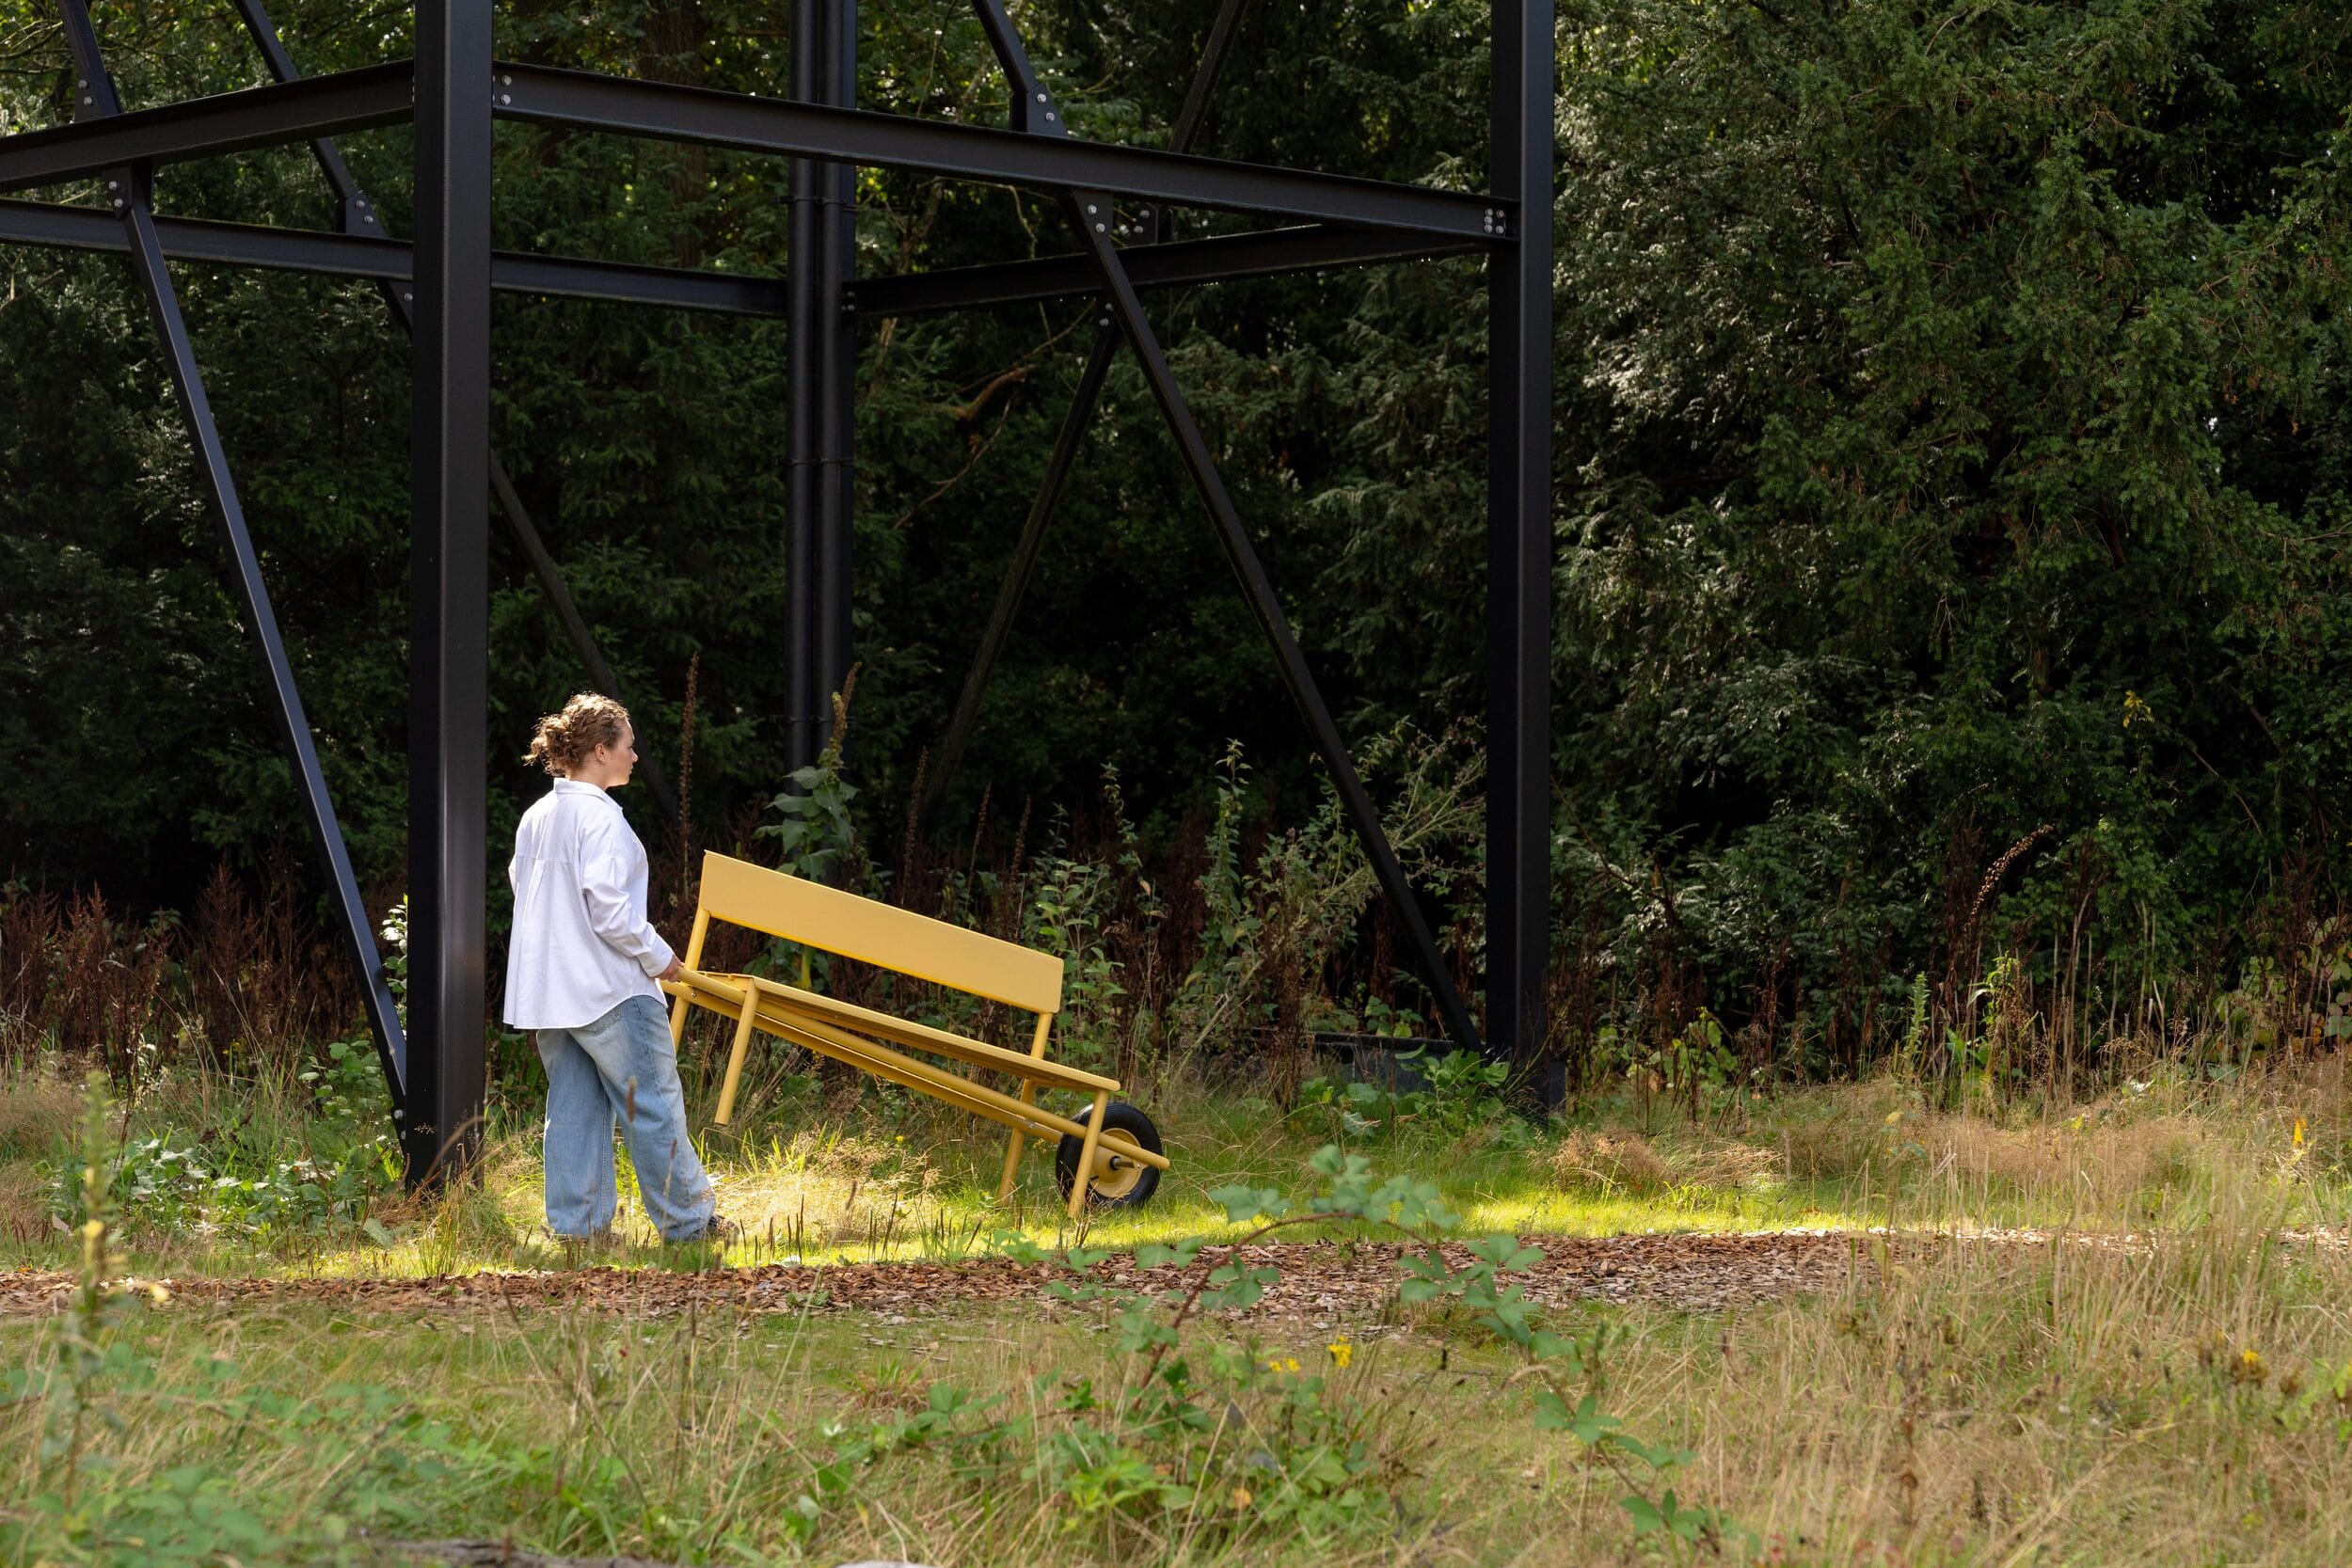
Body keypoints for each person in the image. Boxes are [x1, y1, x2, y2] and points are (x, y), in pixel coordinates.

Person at [504, 692, 729, 1243]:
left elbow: (525, 890)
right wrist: (661, 957)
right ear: (600, 751)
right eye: (629, 746)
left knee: (575, 1113)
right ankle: (691, 1226)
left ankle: (580, 1234)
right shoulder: (599, 819)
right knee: (651, 1103)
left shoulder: (538, 817)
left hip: (552, 996)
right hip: (610, 992)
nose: (635, 756)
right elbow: (608, 907)